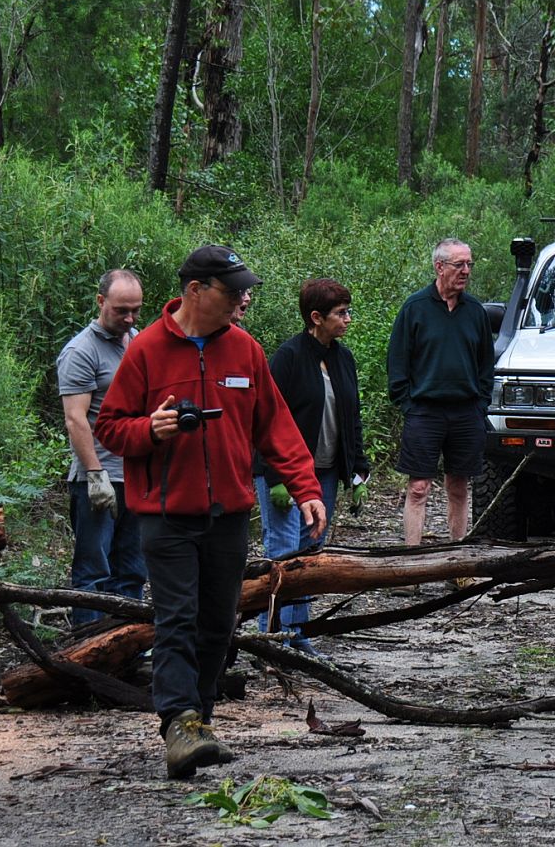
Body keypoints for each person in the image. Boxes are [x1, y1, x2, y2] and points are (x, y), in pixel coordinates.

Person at [95, 245, 326, 780]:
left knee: (218, 625)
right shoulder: (147, 350)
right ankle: (179, 721)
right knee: (177, 617)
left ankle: (197, 723)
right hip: (166, 514)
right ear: (196, 290)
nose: (243, 299)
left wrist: (306, 486)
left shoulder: (244, 350)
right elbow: (110, 427)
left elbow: (275, 426)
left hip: (227, 512)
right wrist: (148, 430)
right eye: (233, 290)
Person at [254, 279, 370, 654]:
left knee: (311, 552)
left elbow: (352, 417)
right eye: (341, 313)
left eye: (348, 311)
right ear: (316, 317)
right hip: (286, 475)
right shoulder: (288, 357)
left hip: (323, 473)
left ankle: (297, 634)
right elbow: (265, 418)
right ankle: (271, 637)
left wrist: (358, 470)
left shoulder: (343, 357)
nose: (348, 319)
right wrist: (276, 476)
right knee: (284, 552)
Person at [387, 238, 495, 546]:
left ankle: (456, 563)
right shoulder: (415, 308)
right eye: (458, 264)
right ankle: (411, 563)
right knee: (419, 487)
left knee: (459, 486)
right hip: (424, 411)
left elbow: (486, 365)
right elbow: (397, 363)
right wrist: (408, 404)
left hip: (465, 412)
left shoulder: (475, 311)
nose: (465, 271)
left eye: (469, 264)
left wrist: (480, 405)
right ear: (439, 267)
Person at [55, 269, 147, 627]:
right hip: (99, 478)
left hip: (137, 476)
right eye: (120, 310)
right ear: (100, 302)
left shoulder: (138, 343)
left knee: (132, 570)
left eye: (135, 310)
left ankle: (127, 647)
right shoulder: (81, 351)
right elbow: (76, 419)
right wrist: (95, 475)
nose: (128, 318)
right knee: (95, 571)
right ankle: (89, 647)